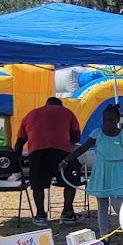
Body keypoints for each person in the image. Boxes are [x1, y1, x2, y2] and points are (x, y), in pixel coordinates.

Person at [59, 103, 123, 245]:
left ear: (117, 120)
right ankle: (104, 235)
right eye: (104, 120)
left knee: (117, 204)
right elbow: (82, 149)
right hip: (101, 169)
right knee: (102, 204)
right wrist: (66, 160)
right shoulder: (97, 133)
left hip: (116, 171)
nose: (107, 123)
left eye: (110, 120)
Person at [14, 96, 84, 226]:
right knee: (70, 181)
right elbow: (76, 137)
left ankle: (41, 215)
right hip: (61, 152)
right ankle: (67, 213)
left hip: (37, 152)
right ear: (60, 106)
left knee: (38, 185)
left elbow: (19, 143)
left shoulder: (30, 114)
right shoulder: (68, 113)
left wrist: (15, 165)